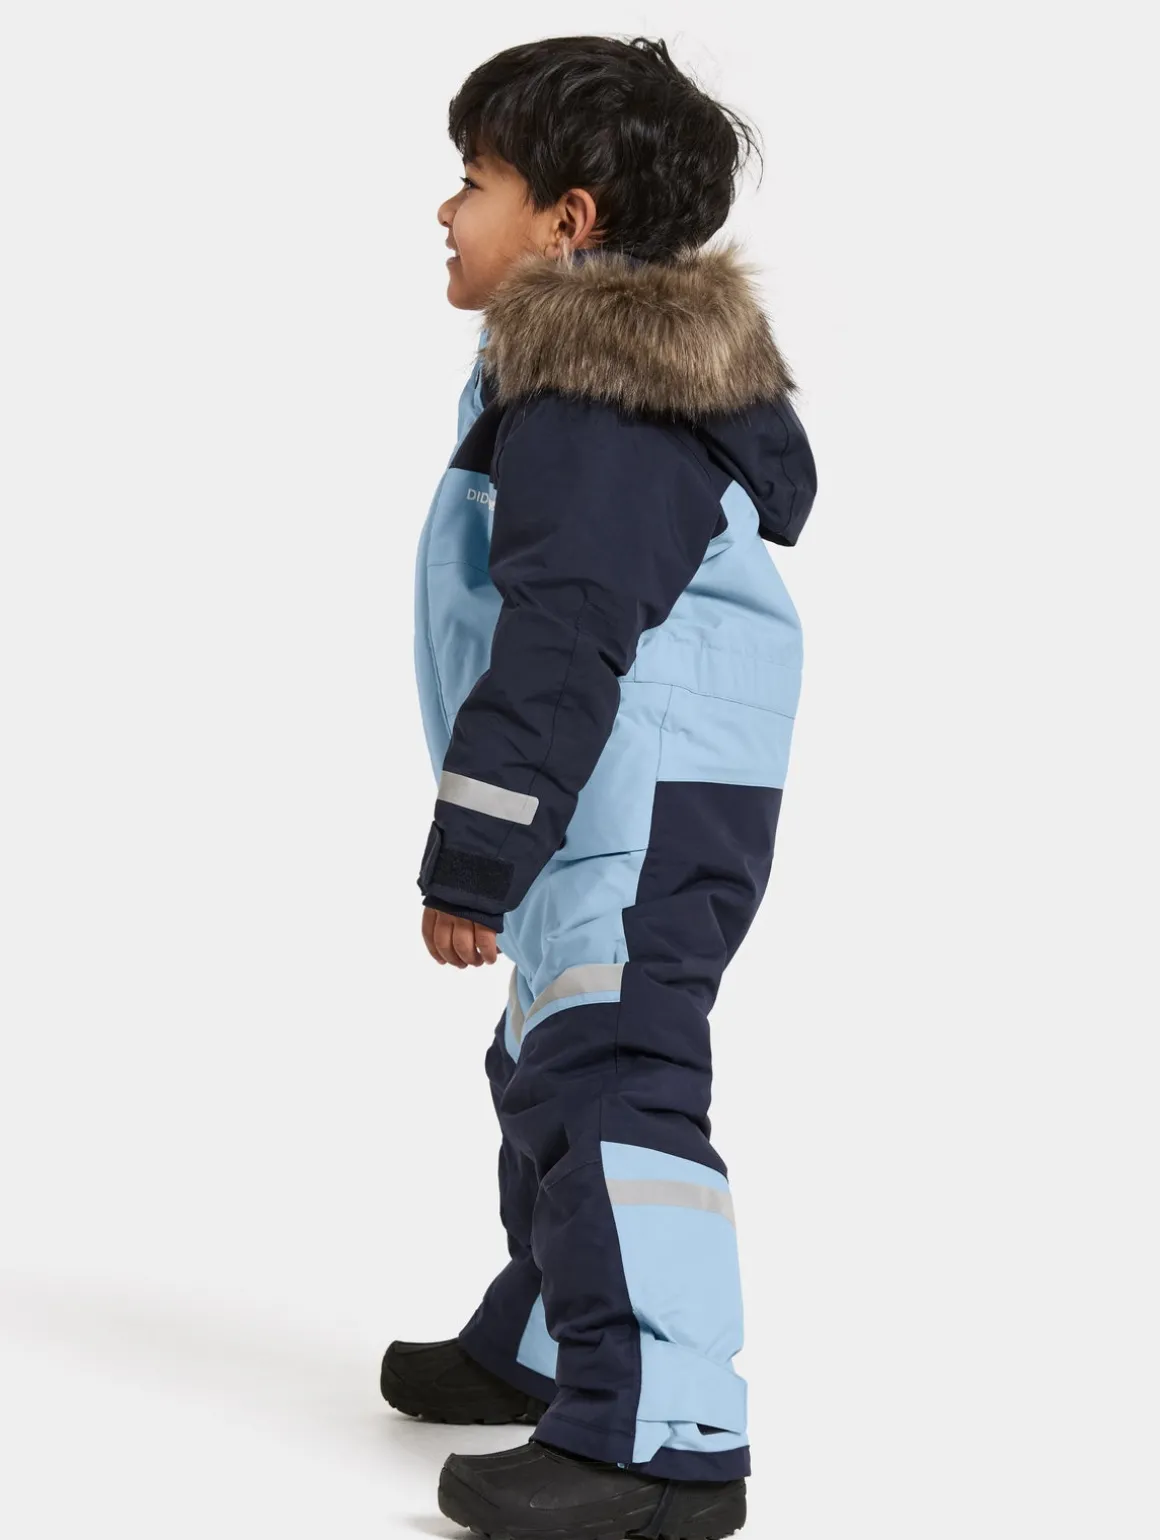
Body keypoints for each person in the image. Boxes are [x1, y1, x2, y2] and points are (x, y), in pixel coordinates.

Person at [382, 34, 818, 1540]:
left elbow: (563, 642)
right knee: (545, 1055)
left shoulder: (602, 409)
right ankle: (562, 1337)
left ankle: (664, 1439)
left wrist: (474, 856)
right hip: (617, 795)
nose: (446, 211)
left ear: (567, 221)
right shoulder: (580, 391)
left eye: (474, 180)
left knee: (612, 1072)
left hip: (636, 796)